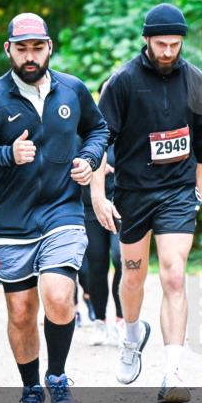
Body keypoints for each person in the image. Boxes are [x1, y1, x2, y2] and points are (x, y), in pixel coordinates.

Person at [0, 12, 108, 403]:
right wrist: (7, 154)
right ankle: (30, 389)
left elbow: (99, 129)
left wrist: (89, 159)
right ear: (8, 49)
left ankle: (56, 380)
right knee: (21, 312)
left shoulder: (72, 90)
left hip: (62, 211)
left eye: (37, 47)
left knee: (59, 298)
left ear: (49, 47)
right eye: (21, 48)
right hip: (12, 221)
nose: (29, 56)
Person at [92, 3, 202, 403]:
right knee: (132, 276)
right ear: (146, 40)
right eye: (160, 43)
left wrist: (200, 187)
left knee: (174, 276)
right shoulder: (122, 81)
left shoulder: (196, 82)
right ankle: (131, 336)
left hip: (178, 191)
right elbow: (99, 142)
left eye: (174, 44)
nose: (167, 52)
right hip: (133, 193)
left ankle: (173, 371)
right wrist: (98, 195)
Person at [83, 144, 123, 347]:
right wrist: (91, 168)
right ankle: (99, 322)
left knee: (120, 258)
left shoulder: (125, 119)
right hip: (91, 205)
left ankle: (121, 321)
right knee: (97, 263)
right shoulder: (83, 121)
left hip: (122, 202)